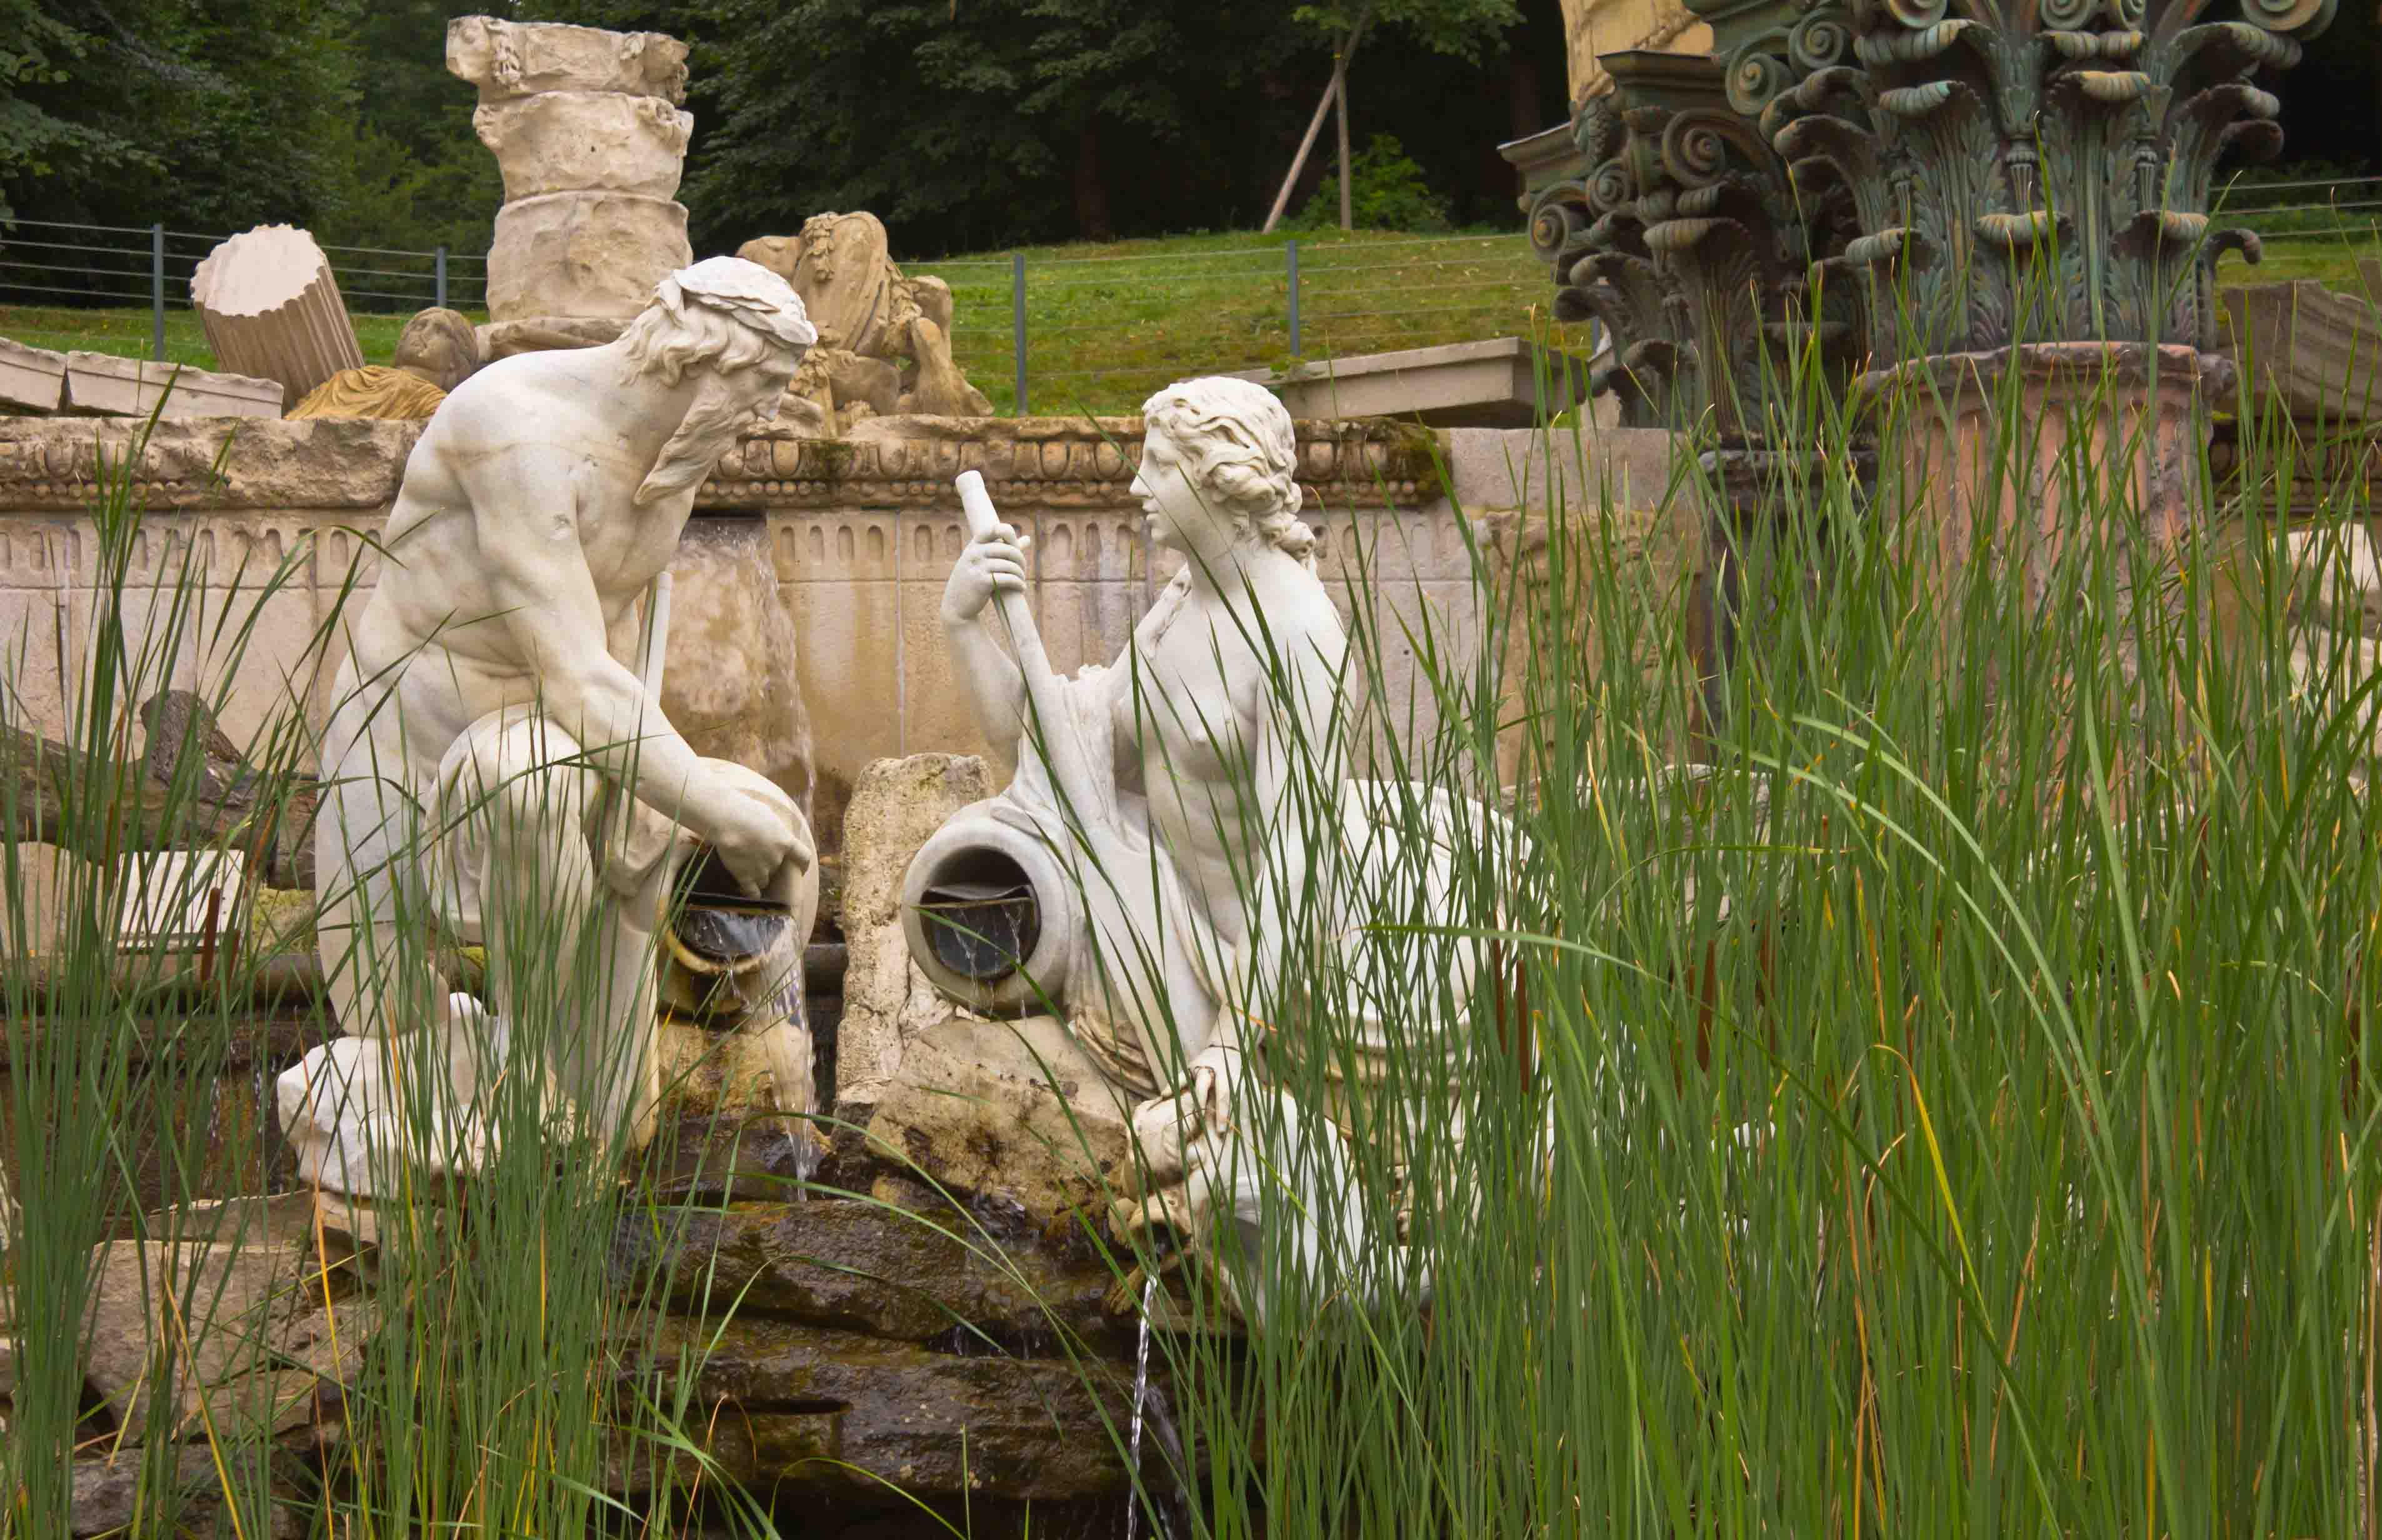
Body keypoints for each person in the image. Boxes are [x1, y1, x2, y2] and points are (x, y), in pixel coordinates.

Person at [938, 376, 1504, 1319]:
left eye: (1159, 465)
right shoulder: (1180, 609)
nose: (1138, 487)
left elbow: (1300, 857)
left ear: (1223, 478)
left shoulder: (1297, 636)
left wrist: (1242, 1042)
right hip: (1193, 930)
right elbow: (1053, 755)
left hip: (1303, 963)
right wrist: (963, 621)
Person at [283, 259, 818, 1206]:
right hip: (410, 735)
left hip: (559, 741)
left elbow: (622, 639)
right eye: (756, 397)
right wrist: (700, 797)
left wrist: (650, 812)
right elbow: (574, 675)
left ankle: (545, 1145)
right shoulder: (517, 429)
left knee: (601, 1131)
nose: (757, 422)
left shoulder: (673, 451)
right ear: (702, 365)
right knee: (388, 1025)